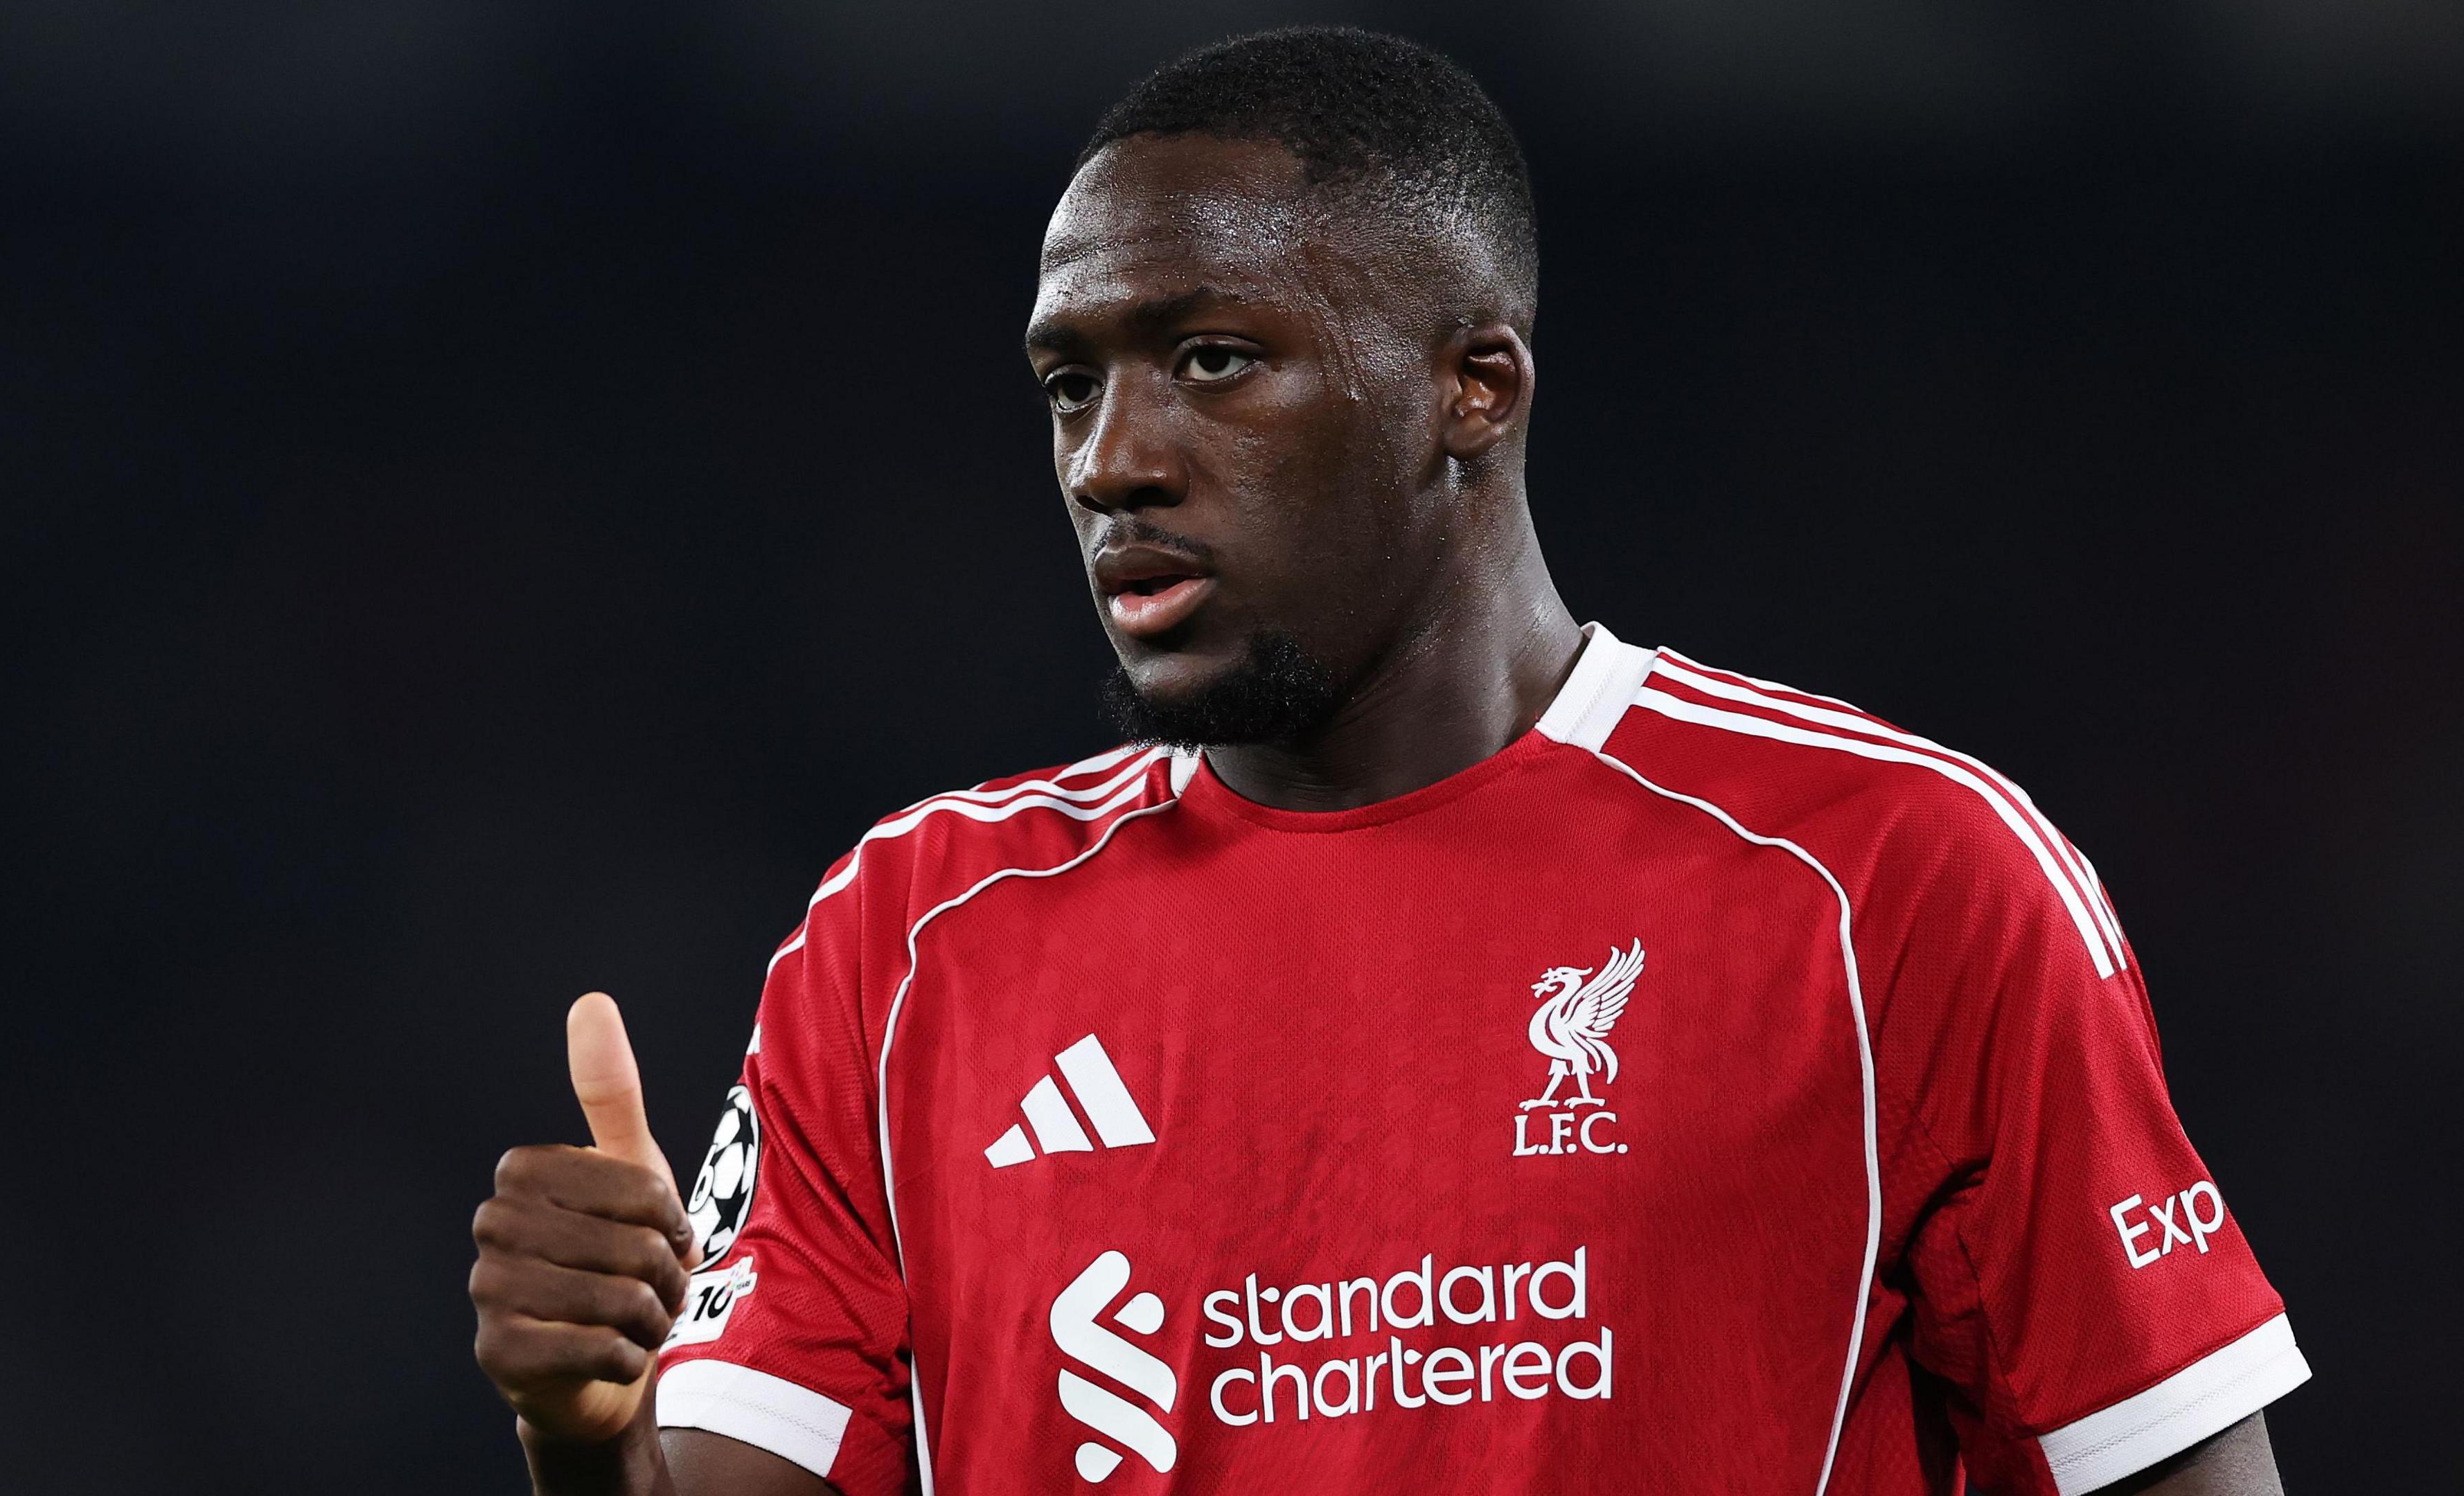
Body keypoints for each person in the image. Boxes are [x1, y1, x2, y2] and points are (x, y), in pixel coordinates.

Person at [468, 27, 2305, 1496]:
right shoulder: (907, 943)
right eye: (1071, 384)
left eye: (1211, 359)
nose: (1113, 458)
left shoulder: (1890, 879)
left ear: (1470, 389)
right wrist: (581, 1439)